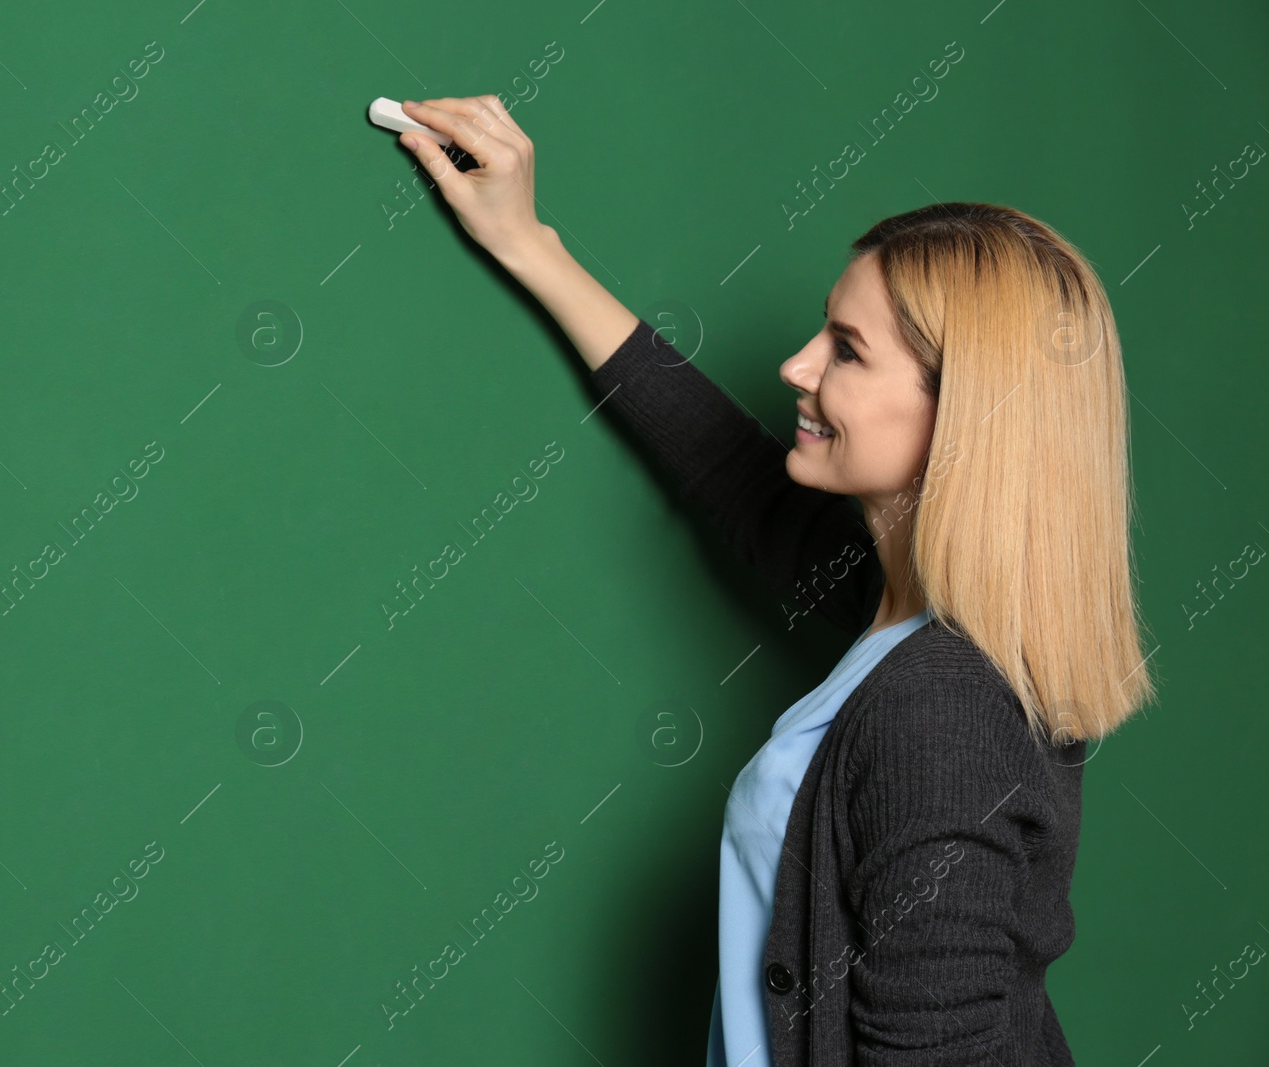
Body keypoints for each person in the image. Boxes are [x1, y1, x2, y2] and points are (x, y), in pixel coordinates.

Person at [394, 96, 1157, 1065]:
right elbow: (739, 478)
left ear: (962, 414)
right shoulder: (907, 629)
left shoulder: (942, 710)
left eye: (846, 349)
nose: (797, 365)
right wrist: (528, 243)